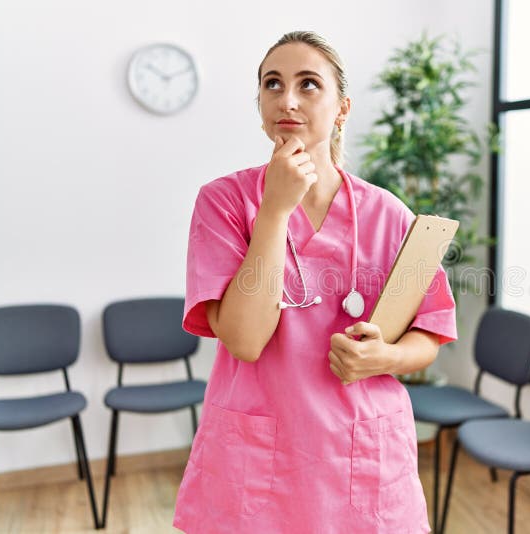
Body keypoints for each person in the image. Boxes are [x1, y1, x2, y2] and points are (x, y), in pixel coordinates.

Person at [172, 31, 457, 534]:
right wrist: (275, 210)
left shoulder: (389, 214)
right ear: (258, 103)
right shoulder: (223, 203)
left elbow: (430, 333)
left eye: (308, 84)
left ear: (341, 107)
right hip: (260, 461)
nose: (287, 99)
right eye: (272, 84)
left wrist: (386, 358)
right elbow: (243, 339)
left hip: (361, 456)